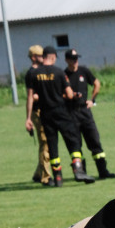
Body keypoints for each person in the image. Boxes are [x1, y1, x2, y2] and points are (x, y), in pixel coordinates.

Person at [25, 46, 94, 187]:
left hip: (45, 114)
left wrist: (28, 118)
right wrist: (73, 95)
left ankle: (57, 178)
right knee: (73, 140)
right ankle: (78, 170)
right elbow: (69, 94)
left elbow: (31, 97)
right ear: (53, 57)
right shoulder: (59, 73)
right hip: (61, 112)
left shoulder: (34, 74)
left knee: (52, 145)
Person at [64, 49, 115, 180]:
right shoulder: (63, 75)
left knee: (94, 141)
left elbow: (97, 83)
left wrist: (92, 100)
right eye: (72, 58)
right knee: (76, 144)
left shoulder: (83, 71)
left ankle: (103, 171)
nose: (75, 61)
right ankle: (81, 172)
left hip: (85, 111)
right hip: (71, 113)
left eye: (76, 58)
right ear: (67, 60)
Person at [24, 45, 52, 187]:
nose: (44, 58)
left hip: (46, 110)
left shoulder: (42, 71)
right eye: (41, 55)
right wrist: (28, 118)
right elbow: (30, 96)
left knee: (46, 143)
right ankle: (46, 177)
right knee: (45, 142)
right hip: (38, 112)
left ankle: (38, 173)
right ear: (34, 57)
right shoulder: (31, 74)